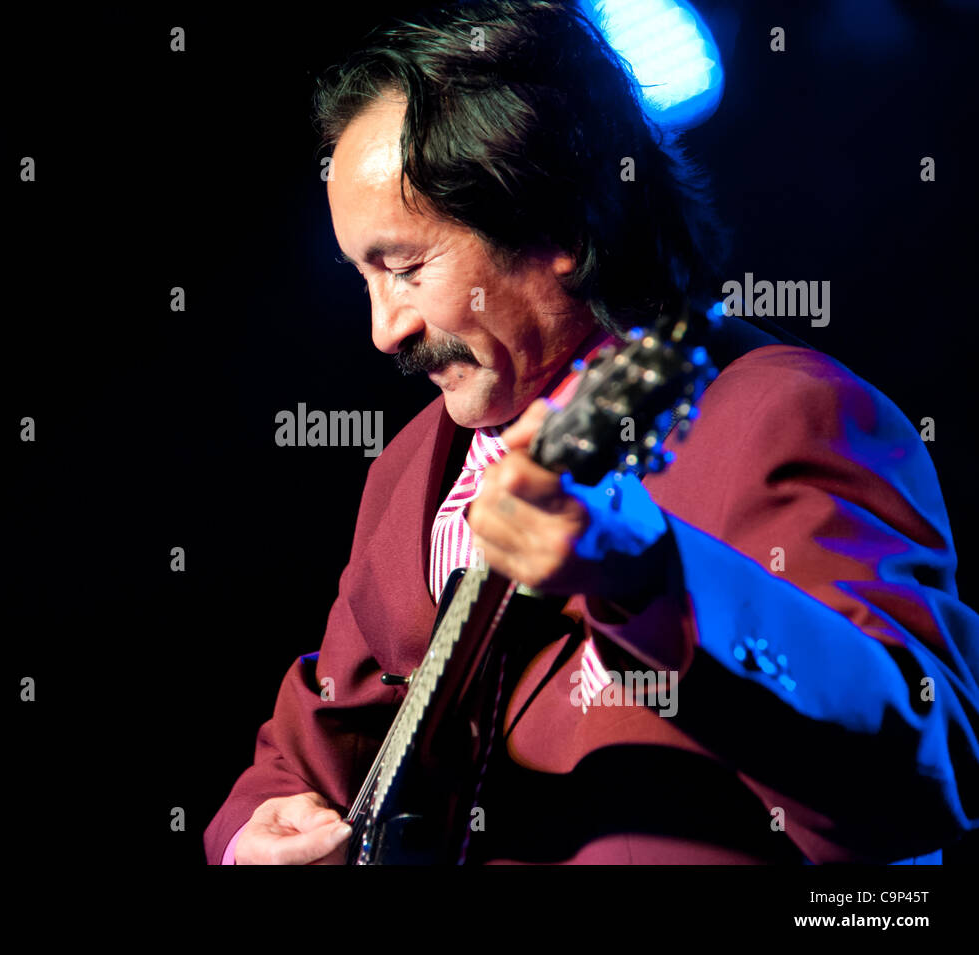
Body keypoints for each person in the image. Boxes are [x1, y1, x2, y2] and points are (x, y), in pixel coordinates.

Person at [203, 0, 979, 865]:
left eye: (409, 267)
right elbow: (305, 746)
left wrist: (651, 578)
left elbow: (920, 770)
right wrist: (253, 835)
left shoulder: (790, 411)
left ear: (557, 222)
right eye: (365, 277)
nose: (385, 329)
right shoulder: (409, 468)